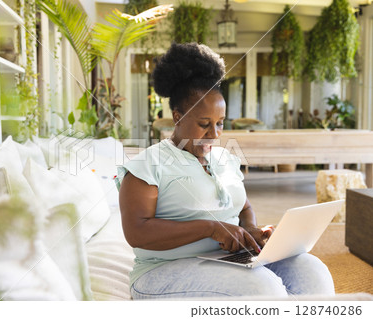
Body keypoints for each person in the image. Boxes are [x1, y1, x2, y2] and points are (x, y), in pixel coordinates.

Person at [115, 42, 335, 299]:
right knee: (263, 289)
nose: (215, 134)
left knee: (313, 271)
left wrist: (251, 229)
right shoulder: (147, 165)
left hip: (228, 258)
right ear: (177, 117)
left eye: (220, 123)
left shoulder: (224, 159)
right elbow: (137, 232)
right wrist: (211, 228)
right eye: (204, 124)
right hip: (162, 271)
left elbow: (244, 208)